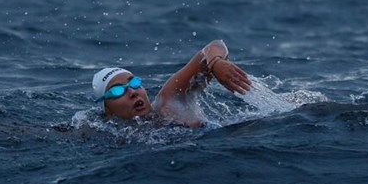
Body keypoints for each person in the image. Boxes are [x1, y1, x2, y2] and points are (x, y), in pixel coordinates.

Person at [92, 39, 252, 127]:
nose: (132, 92)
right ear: (107, 110)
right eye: (117, 91)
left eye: (134, 83)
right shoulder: (106, 134)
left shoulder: (169, 102)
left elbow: (213, 46)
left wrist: (215, 62)